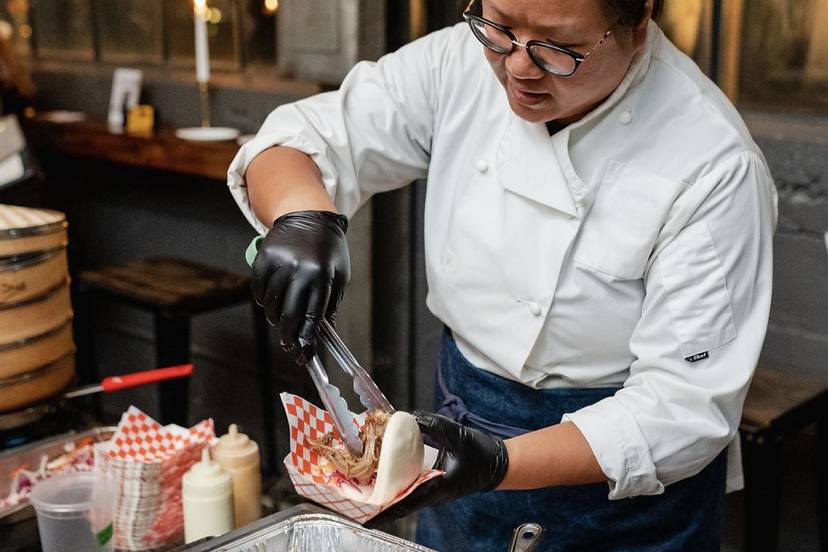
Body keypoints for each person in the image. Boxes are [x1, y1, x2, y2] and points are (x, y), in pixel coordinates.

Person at [227, 0, 778, 549]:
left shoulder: (714, 164)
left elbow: (683, 408)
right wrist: (303, 216)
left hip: (622, 499)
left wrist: (499, 463)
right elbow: (303, 139)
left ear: (638, 25)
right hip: (462, 429)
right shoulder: (459, 63)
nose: (517, 66)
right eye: (499, 27)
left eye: (558, 46)